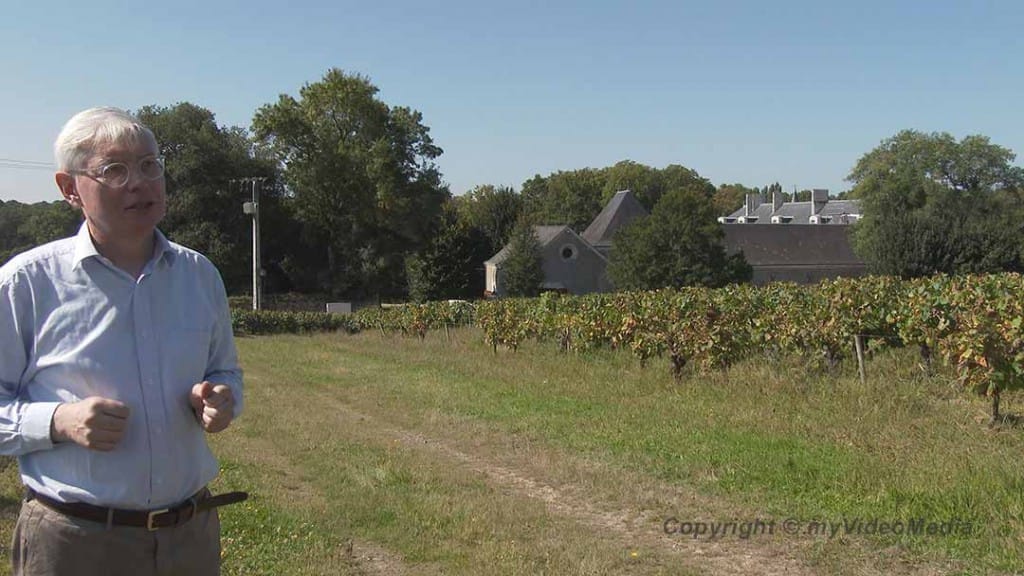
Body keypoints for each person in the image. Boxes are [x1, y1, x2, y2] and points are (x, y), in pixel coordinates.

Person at [0, 107, 246, 576]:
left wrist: (220, 398)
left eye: (150, 165)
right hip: (76, 542)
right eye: (115, 170)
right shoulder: (25, 284)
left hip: (189, 537)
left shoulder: (198, 275)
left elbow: (225, 370)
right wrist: (58, 421)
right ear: (69, 188)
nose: (139, 182)